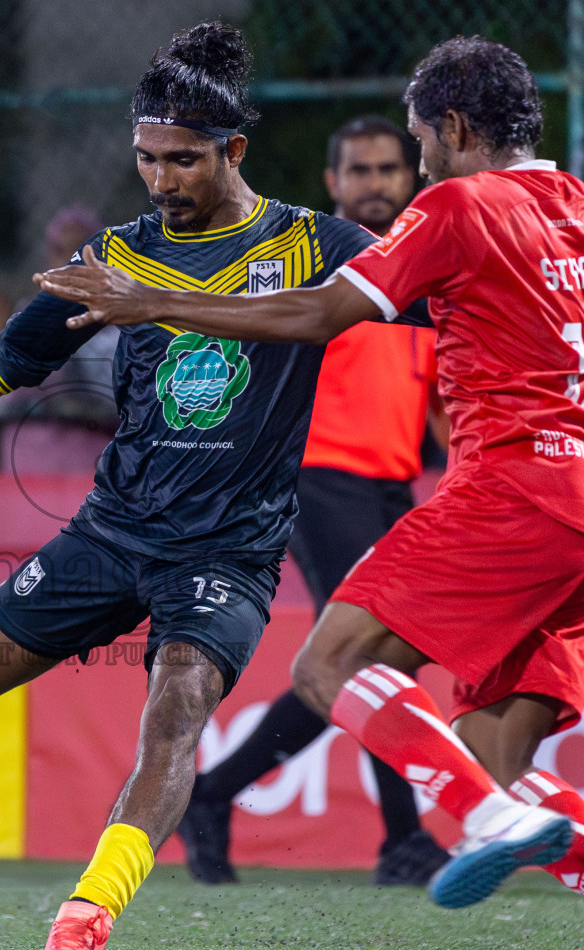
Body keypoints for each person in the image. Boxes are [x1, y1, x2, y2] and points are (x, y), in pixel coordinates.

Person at [39, 36, 584, 950]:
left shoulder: (456, 205)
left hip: (505, 491)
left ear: (455, 129)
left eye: (420, 141)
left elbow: (318, 312)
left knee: (329, 664)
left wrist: (156, 300)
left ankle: (485, 822)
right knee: (494, 750)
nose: (417, 163)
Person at [0, 22, 393, 950]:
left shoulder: (314, 245)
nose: (161, 180)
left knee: (176, 708)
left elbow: (430, 286)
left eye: (184, 161)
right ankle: (118, 628)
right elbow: (2, 362)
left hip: (227, 551)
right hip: (115, 530)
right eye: (147, 159)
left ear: (234, 151)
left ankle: (85, 918)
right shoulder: (114, 257)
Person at [178, 115, 451, 888]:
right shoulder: (313, 257)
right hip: (315, 472)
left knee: (386, 655)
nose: (374, 183)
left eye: (387, 169)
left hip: (392, 481)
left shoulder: (418, 267)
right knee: (370, 652)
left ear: (411, 176)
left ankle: (215, 793)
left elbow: (438, 401)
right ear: (333, 183)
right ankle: (402, 838)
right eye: (358, 171)